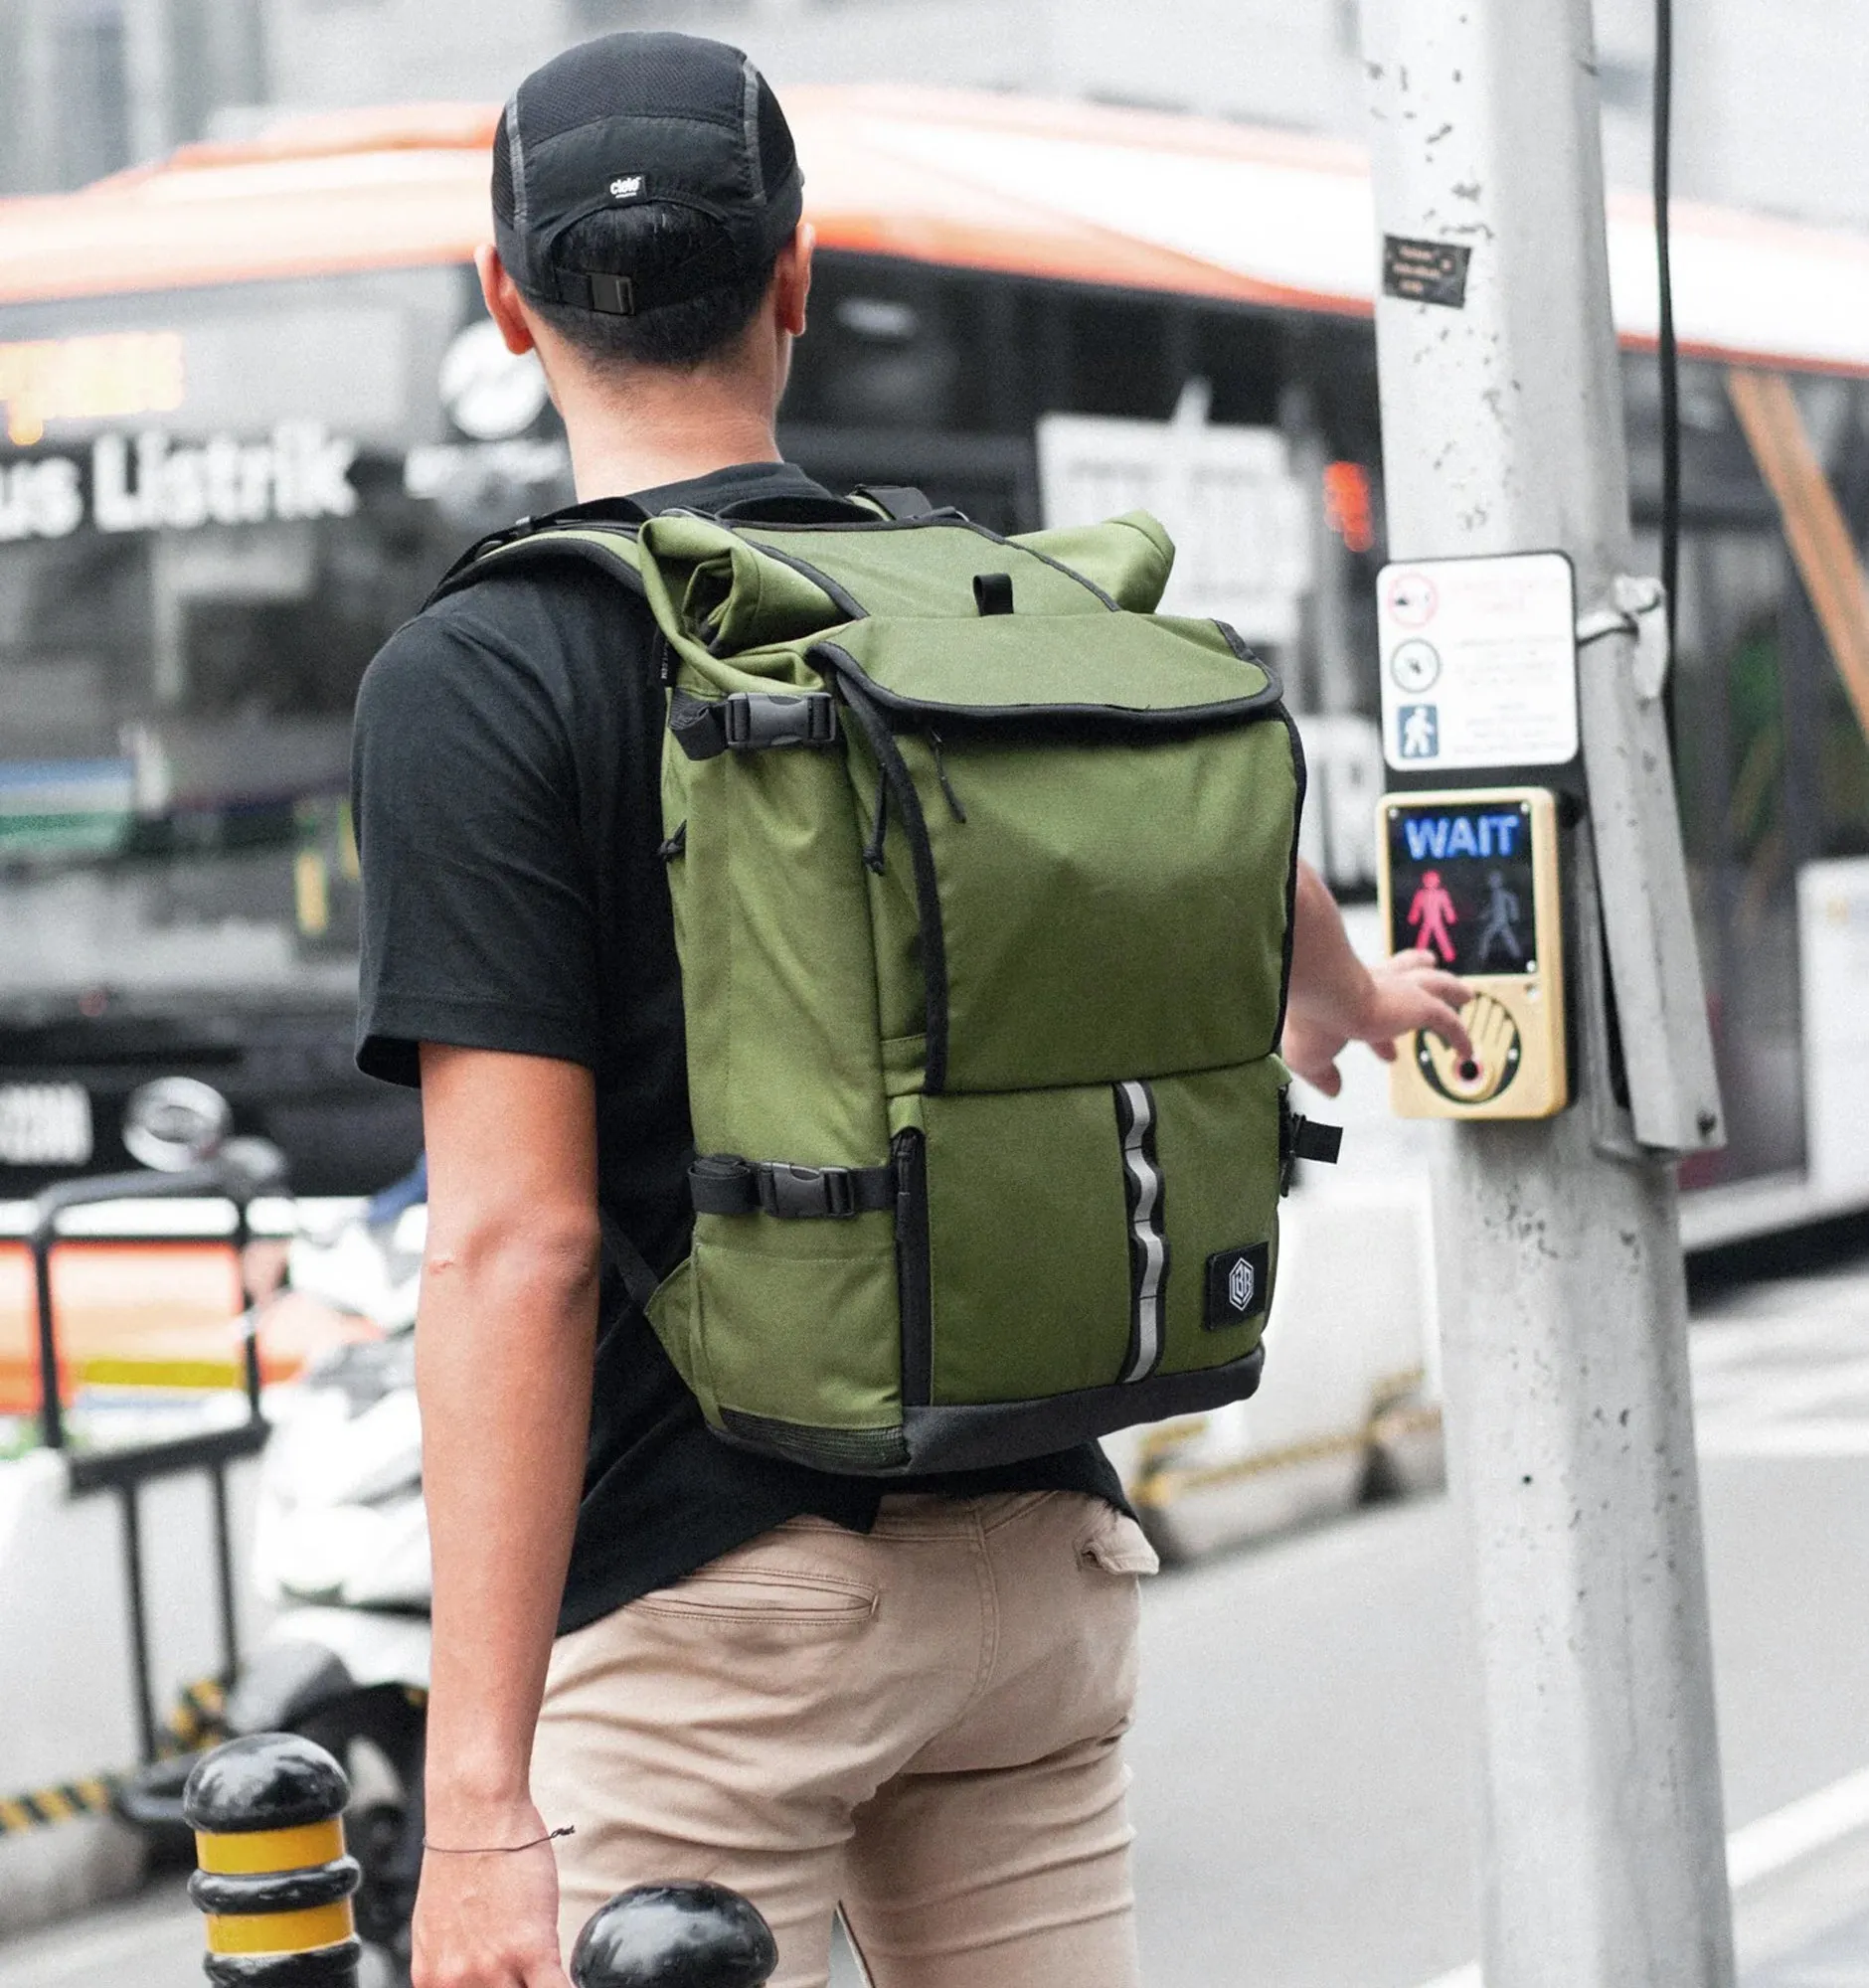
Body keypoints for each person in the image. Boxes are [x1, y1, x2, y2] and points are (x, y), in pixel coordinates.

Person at [350, 33, 1473, 1988]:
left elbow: (515, 1247)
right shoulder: (971, 591)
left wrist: (473, 1811)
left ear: (502, 299)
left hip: (708, 1621)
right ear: (795, 281)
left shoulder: (489, 669)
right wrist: (1349, 991)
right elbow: (1198, 806)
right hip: (1038, 1571)